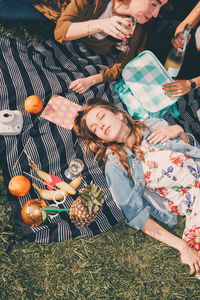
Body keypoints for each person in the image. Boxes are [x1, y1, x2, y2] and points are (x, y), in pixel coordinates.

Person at [73, 97, 200, 277]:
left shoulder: (153, 125)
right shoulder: (115, 166)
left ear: (118, 114)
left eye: (101, 117)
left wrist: (179, 131)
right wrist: (183, 246)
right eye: (95, 129)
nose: (100, 126)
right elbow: (136, 216)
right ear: (99, 138)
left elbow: (190, 150)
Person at [28, 0, 168, 94]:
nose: (156, 14)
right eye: (154, 4)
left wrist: (92, 80)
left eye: (161, 7)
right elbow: (60, 32)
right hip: (51, 7)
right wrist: (100, 24)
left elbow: (121, 66)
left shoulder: (135, 28)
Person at [162, 1, 200, 97]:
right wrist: (179, 36)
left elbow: (190, 84)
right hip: (188, 44)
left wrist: (191, 84)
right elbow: (187, 23)